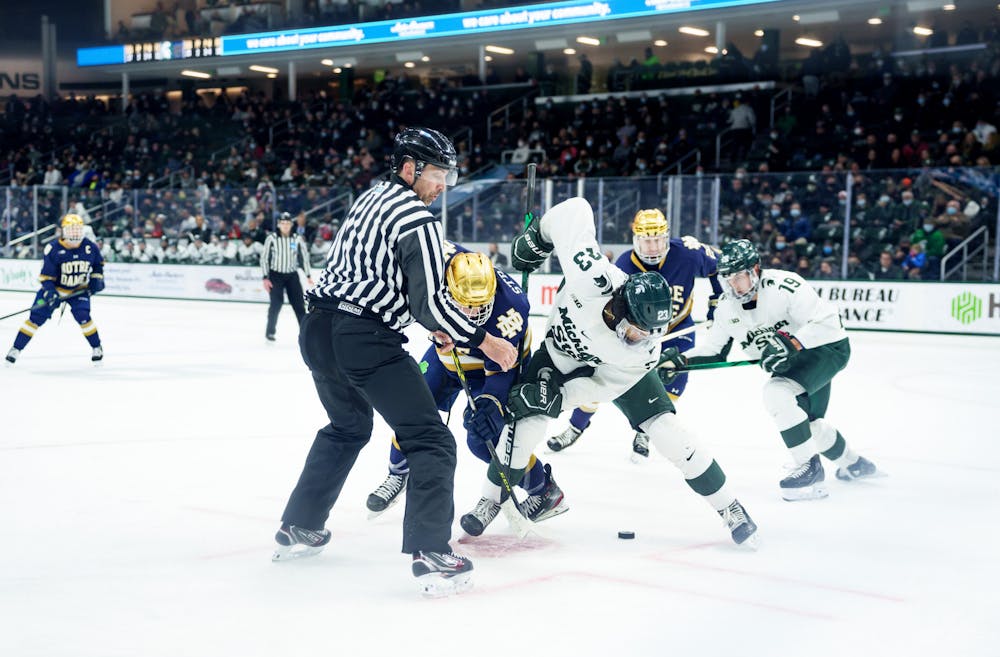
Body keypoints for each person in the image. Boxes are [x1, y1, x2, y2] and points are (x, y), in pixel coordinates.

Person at [271, 128, 518, 597]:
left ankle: (299, 525)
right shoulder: (417, 218)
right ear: (410, 168)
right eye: (438, 174)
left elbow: (387, 279)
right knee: (432, 440)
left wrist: (436, 325)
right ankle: (431, 554)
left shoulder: (370, 198)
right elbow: (430, 304)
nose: (443, 184)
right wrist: (485, 341)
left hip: (319, 329)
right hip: (363, 339)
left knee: (346, 428)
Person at [461, 197, 758, 547]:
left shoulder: (643, 351)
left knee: (669, 433)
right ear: (621, 305)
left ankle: (729, 507)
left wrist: (560, 398)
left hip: (613, 376)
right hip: (559, 356)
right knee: (525, 422)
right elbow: (574, 210)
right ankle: (489, 500)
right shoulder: (591, 276)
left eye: (650, 333)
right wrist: (539, 237)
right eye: (637, 330)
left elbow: (601, 387)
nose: (642, 339)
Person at [366, 245, 566, 529]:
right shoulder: (440, 264)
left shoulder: (511, 311)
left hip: (496, 361)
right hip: (447, 354)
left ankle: (542, 490)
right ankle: (398, 471)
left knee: (482, 437)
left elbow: (500, 372)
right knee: (413, 407)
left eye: (479, 306)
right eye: (464, 304)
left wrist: (489, 404)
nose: (472, 313)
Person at [665, 240, 878, 501]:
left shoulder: (784, 285)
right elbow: (713, 350)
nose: (733, 285)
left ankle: (810, 468)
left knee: (776, 394)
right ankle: (855, 464)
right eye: (727, 279)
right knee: (807, 427)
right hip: (794, 365)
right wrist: (679, 362)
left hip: (825, 350)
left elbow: (828, 321)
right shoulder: (725, 308)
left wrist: (792, 342)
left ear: (755, 269)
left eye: (739, 277)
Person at [547, 209, 722, 460]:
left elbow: (719, 266)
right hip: (639, 336)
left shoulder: (688, 252)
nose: (652, 247)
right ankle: (576, 427)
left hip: (678, 330)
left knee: (673, 378)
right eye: (646, 240)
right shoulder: (623, 265)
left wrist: (717, 302)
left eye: (658, 240)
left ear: (667, 237)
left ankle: (645, 430)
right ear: (635, 240)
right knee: (601, 379)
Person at [6, 214, 105, 366]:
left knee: (83, 316)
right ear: (64, 231)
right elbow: (46, 277)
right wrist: (51, 293)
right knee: (35, 318)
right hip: (56, 289)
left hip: (78, 290)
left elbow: (98, 265)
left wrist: (97, 278)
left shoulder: (90, 247)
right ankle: (16, 348)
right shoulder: (53, 249)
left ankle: (97, 347)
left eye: (77, 229)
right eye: (71, 230)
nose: (75, 233)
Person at [260, 212, 313, 342]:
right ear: (278, 224)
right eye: (282, 223)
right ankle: (270, 332)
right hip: (275, 275)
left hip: (292, 275)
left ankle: (305, 332)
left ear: (291, 225)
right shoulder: (271, 238)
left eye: (287, 223)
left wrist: (308, 275)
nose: (285, 226)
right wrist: (265, 277)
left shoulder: (297, 238)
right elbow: (264, 258)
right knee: (276, 304)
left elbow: (304, 257)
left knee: (299, 305)